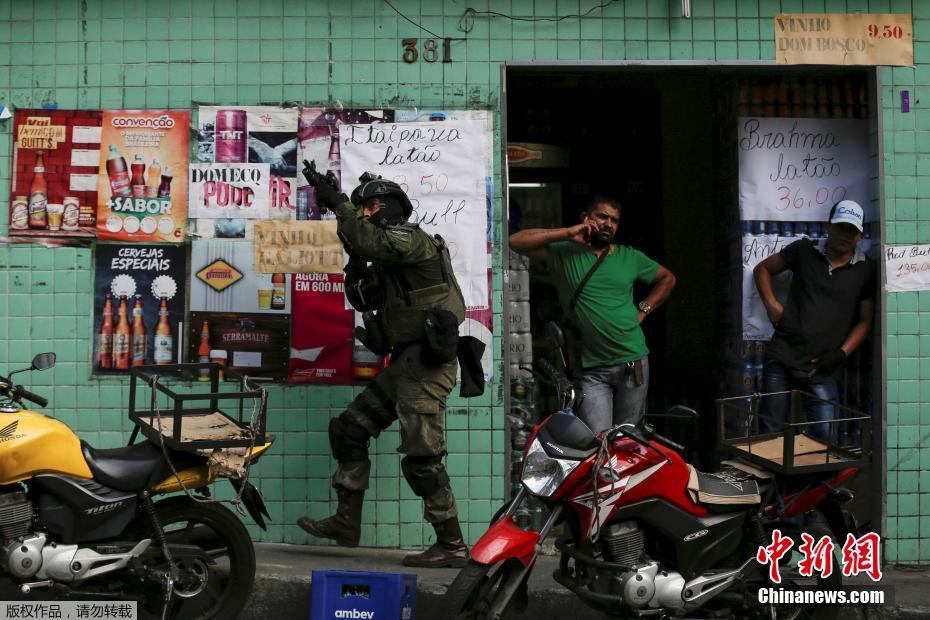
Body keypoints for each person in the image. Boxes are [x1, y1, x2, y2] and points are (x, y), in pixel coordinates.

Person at [296, 165, 468, 568]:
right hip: (405, 366)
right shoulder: (388, 258)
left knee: (422, 458)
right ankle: (346, 523)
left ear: (388, 207)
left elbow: (372, 241)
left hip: (426, 365)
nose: (366, 214)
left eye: (369, 207)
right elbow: (360, 294)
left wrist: (340, 204)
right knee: (349, 429)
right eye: (362, 209)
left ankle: (452, 544)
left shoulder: (412, 239)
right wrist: (354, 252)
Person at [509, 195, 676, 432]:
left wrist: (643, 310)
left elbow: (667, 279)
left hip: (632, 360)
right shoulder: (563, 252)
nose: (609, 224)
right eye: (602, 217)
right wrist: (567, 233)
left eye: (615, 220)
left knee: (628, 438)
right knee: (599, 440)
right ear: (586, 219)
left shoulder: (630, 257)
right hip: (591, 369)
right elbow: (515, 241)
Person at [753, 200, 876, 442]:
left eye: (851, 230)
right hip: (782, 358)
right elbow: (762, 269)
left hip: (821, 368)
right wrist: (771, 305)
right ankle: (772, 482)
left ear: (860, 236)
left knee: (825, 441)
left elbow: (865, 321)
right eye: (840, 227)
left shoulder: (866, 270)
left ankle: (810, 482)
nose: (845, 235)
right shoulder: (803, 251)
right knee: (769, 435)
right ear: (827, 226)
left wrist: (841, 354)